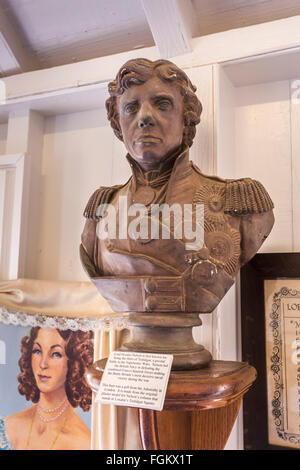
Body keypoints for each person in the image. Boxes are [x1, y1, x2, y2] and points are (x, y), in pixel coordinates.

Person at [1, 327, 93, 450]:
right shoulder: (6, 427)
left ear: (74, 363)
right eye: (37, 351)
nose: (43, 364)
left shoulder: (84, 443)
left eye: (56, 354)